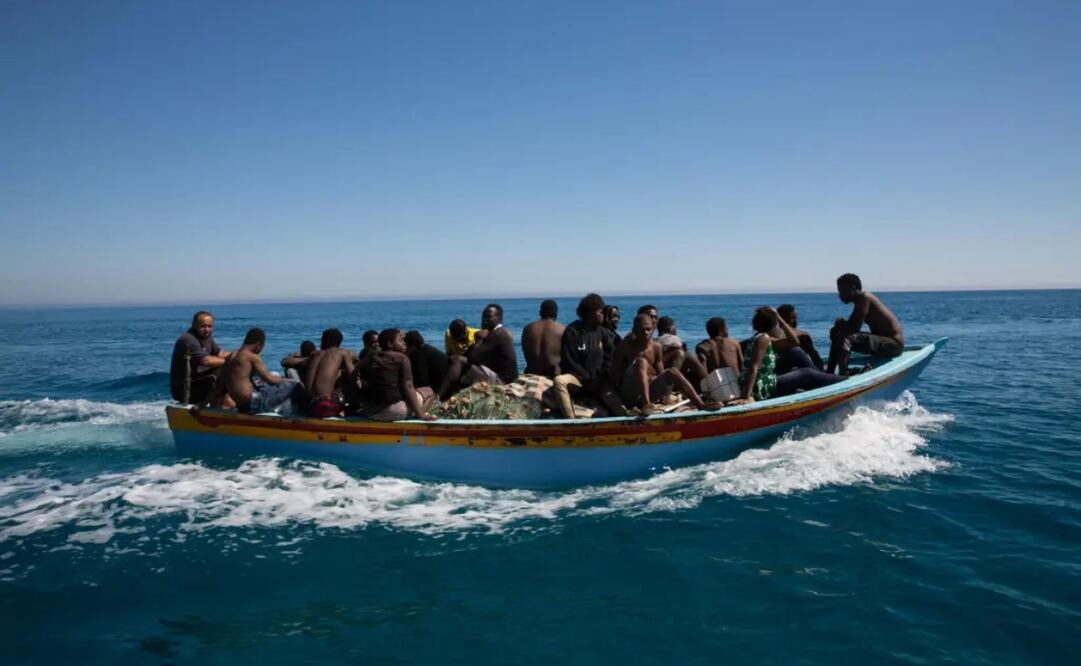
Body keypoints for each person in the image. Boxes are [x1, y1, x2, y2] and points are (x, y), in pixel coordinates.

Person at [610, 313, 721, 415]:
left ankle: (700, 404)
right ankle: (646, 404)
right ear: (634, 330)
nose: (645, 333)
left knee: (672, 371)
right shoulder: (626, 346)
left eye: (648, 329)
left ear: (653, 329)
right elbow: (614, 375)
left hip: (649, 391)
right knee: (642, 362)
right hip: (629, 394)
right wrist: (637, 366)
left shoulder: (656, 347)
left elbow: (661, 373)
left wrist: (653, 379)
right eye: (642, 330)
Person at [731, 307, 845, 405]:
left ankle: (827, 382)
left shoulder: (763, 339)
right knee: (806, 373)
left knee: (798, 356)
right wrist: (746, 396)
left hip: (762, 383)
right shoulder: (763, 339)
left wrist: (778, 317)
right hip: (762, 386)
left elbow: (794, 341)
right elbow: (753, 367)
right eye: (777, 323)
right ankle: (844, 382)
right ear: (773, 324)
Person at [552, 293, 623, 418]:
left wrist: (602, 376)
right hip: (578, 380)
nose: (603, 315)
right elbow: (569, 359)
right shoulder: (572, 331)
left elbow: (610, 355)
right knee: (559, 381)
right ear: (590, 313)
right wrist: (585, 378)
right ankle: (570, 420)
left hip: (599, 381)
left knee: (615, 402)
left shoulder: (603, 332)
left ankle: (630, 420)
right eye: (600, 312)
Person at [826, 274, 905, 375]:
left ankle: (842, 374)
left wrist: (841, 325)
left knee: (846, 337)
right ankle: (829, 373)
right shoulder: (860, 301)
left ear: (853, 288)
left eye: (841, 291)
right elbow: (852, 326)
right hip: (884, 342)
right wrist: (839, 327)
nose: (839, 295)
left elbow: (854, 327)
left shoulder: (864, 298)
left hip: (894, 345)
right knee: (838, 335)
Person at [216, 328, 306, 414]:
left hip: (241, 406)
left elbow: (221, 383)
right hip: (253, 404)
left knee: (271, 379)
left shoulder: (231, 356)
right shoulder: (252, 357)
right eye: (262, 347)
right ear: (258, 345)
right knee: (296, 385)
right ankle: (304, 415)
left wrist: (206, 403)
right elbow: (270, 380)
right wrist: (285, 380)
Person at [358, 329, 436, 421]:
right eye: (400, 341)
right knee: (430, 392)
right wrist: (420, 415)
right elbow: (408, 386)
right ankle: (419, 414)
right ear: (390, 343)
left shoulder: (371, 356)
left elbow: (355, 372)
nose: (404, 343)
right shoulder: (402, 358)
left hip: (369, 412)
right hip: (391, 412)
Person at [169, 311, 231, 405]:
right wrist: (231, 361)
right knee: (221, 371)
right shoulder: (187, 339)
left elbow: (220, 354)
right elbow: (206, 361)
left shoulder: (207, 338)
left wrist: (241, 355)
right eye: (203, 326)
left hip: (200, 382)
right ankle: (205, 406)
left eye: (210, 326)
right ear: (194, 325)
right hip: (184, 390)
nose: (207, 329)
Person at [303, 328, 355, 417]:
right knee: (347, 380)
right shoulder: (342, 353)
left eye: (321, 339)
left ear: (327, 341)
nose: (320, 342)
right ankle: (351, 413)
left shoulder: (315, 354)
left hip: (310, 406)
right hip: (326, 407)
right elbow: (353, 376)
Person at [656, 316, 709, 386]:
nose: (676, 330)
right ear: (669, 329)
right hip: (672, 371)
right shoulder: (673, 338)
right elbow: (682, 352)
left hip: (662, 370)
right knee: (691, 356)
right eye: (674, 328)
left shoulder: (656, 340)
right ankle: (709, 382)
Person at [775, 304, 825, 373]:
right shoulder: (803, 335)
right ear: (792, 320)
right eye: (796, 318)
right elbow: (816, 359)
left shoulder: (772, 336)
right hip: (803, 373)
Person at [521, 299, 565, 377]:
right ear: (556, 314)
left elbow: (525, 352)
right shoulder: (562, 330)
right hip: (553, 375)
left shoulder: (527, 329)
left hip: (531, 373)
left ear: (540, 313)